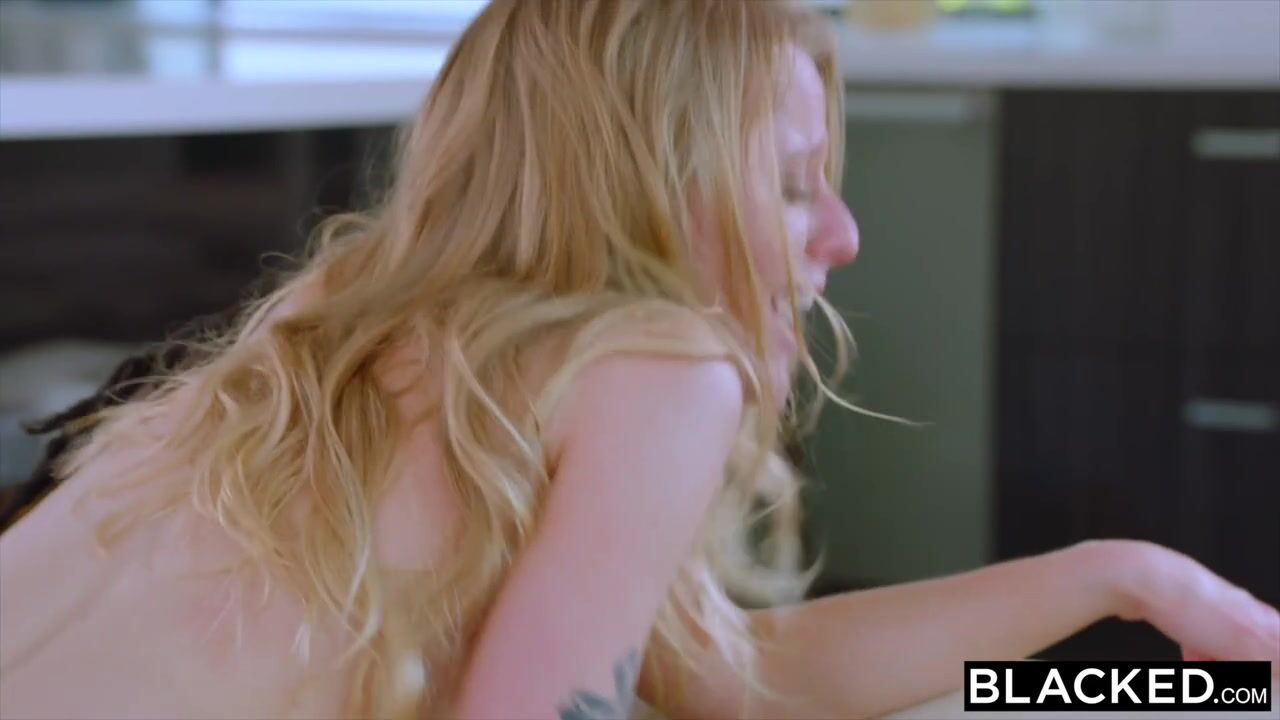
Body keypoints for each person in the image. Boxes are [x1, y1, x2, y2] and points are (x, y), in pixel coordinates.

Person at [1, 1, 1276, 718]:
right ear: (647, 194)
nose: (842, 235)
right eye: (790, 185)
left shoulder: (351, 305)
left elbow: (724, 676)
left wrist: (1123, 581)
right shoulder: (658, 369)